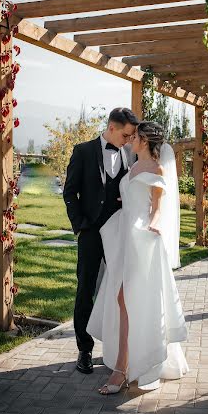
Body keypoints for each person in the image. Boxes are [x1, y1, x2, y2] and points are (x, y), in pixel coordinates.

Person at [87, 121, 188, 394]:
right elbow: (131, 196)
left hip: (141, 238)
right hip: (124, 237)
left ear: (144, 140)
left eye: (135, 136)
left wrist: (153, 225)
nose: (130, 139)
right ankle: (127, 362)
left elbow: (157, 207)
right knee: (122, 300)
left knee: (128, 299)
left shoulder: (158, 168)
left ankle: (123, 369)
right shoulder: (131, 167)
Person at [63, 107, 139, 375]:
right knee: (86, 289)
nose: (129, 140)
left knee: (121, 289)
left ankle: (118, 349)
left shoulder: (129, 154)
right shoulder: (83, 151)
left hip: (119, 231)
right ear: (112, 128)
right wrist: (81, 226)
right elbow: (70, 192)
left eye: (132, 137)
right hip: (92, 232)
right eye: (126, 135)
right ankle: (84, 350)